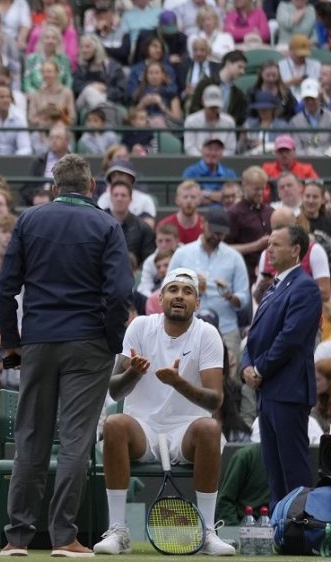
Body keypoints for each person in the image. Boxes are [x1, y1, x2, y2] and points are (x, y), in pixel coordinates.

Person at [0, 153, 132, 556]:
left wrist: (12, 342)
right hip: (89, 343)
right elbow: (119, 292)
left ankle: (16, 538)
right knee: (76, 440)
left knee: (30, 438)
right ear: (92, 186)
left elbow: (5, 288)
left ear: (54, 187)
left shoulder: (29, 220)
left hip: (38, 340)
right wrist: (111, 341)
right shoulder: (107, 225)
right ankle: (63, 537)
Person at [93, 268, 234, 555]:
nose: (179, 296)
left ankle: (207, 531)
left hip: (187, 431)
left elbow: (214, 401)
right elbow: (115, 390)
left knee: (210, 427)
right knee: (114, 424)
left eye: (187, 291)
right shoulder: (140, 327)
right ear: (160, 298)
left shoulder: (207, 334)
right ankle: (118, 530)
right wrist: (133, 373)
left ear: (197, 303)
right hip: (142, 430)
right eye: (173, 290)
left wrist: (178, 383)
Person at [241, 226, 323, 507]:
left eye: (276, 244)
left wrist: (259, 370)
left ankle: (303, 524)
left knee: (293, 468)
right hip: (267, 391)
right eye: (268, 245)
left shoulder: (305, 287)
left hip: (288, 390)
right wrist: (246, 366)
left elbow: (290, 338)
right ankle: (280, 526)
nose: (269, 250)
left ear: (296, 250)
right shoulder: (274, 286)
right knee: (274, 471)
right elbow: (254, 335)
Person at [169, 207, 250, 372]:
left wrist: (228, 295)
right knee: (185, 376)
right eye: (214, 231)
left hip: (225, 329)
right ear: (203, 224)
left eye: (222, 233)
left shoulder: (234, 257)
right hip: (187, 327)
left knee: (230, 379)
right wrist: (189, 286)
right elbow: (167, 289)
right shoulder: (183, 253)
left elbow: (243, 299)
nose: (217, 236)